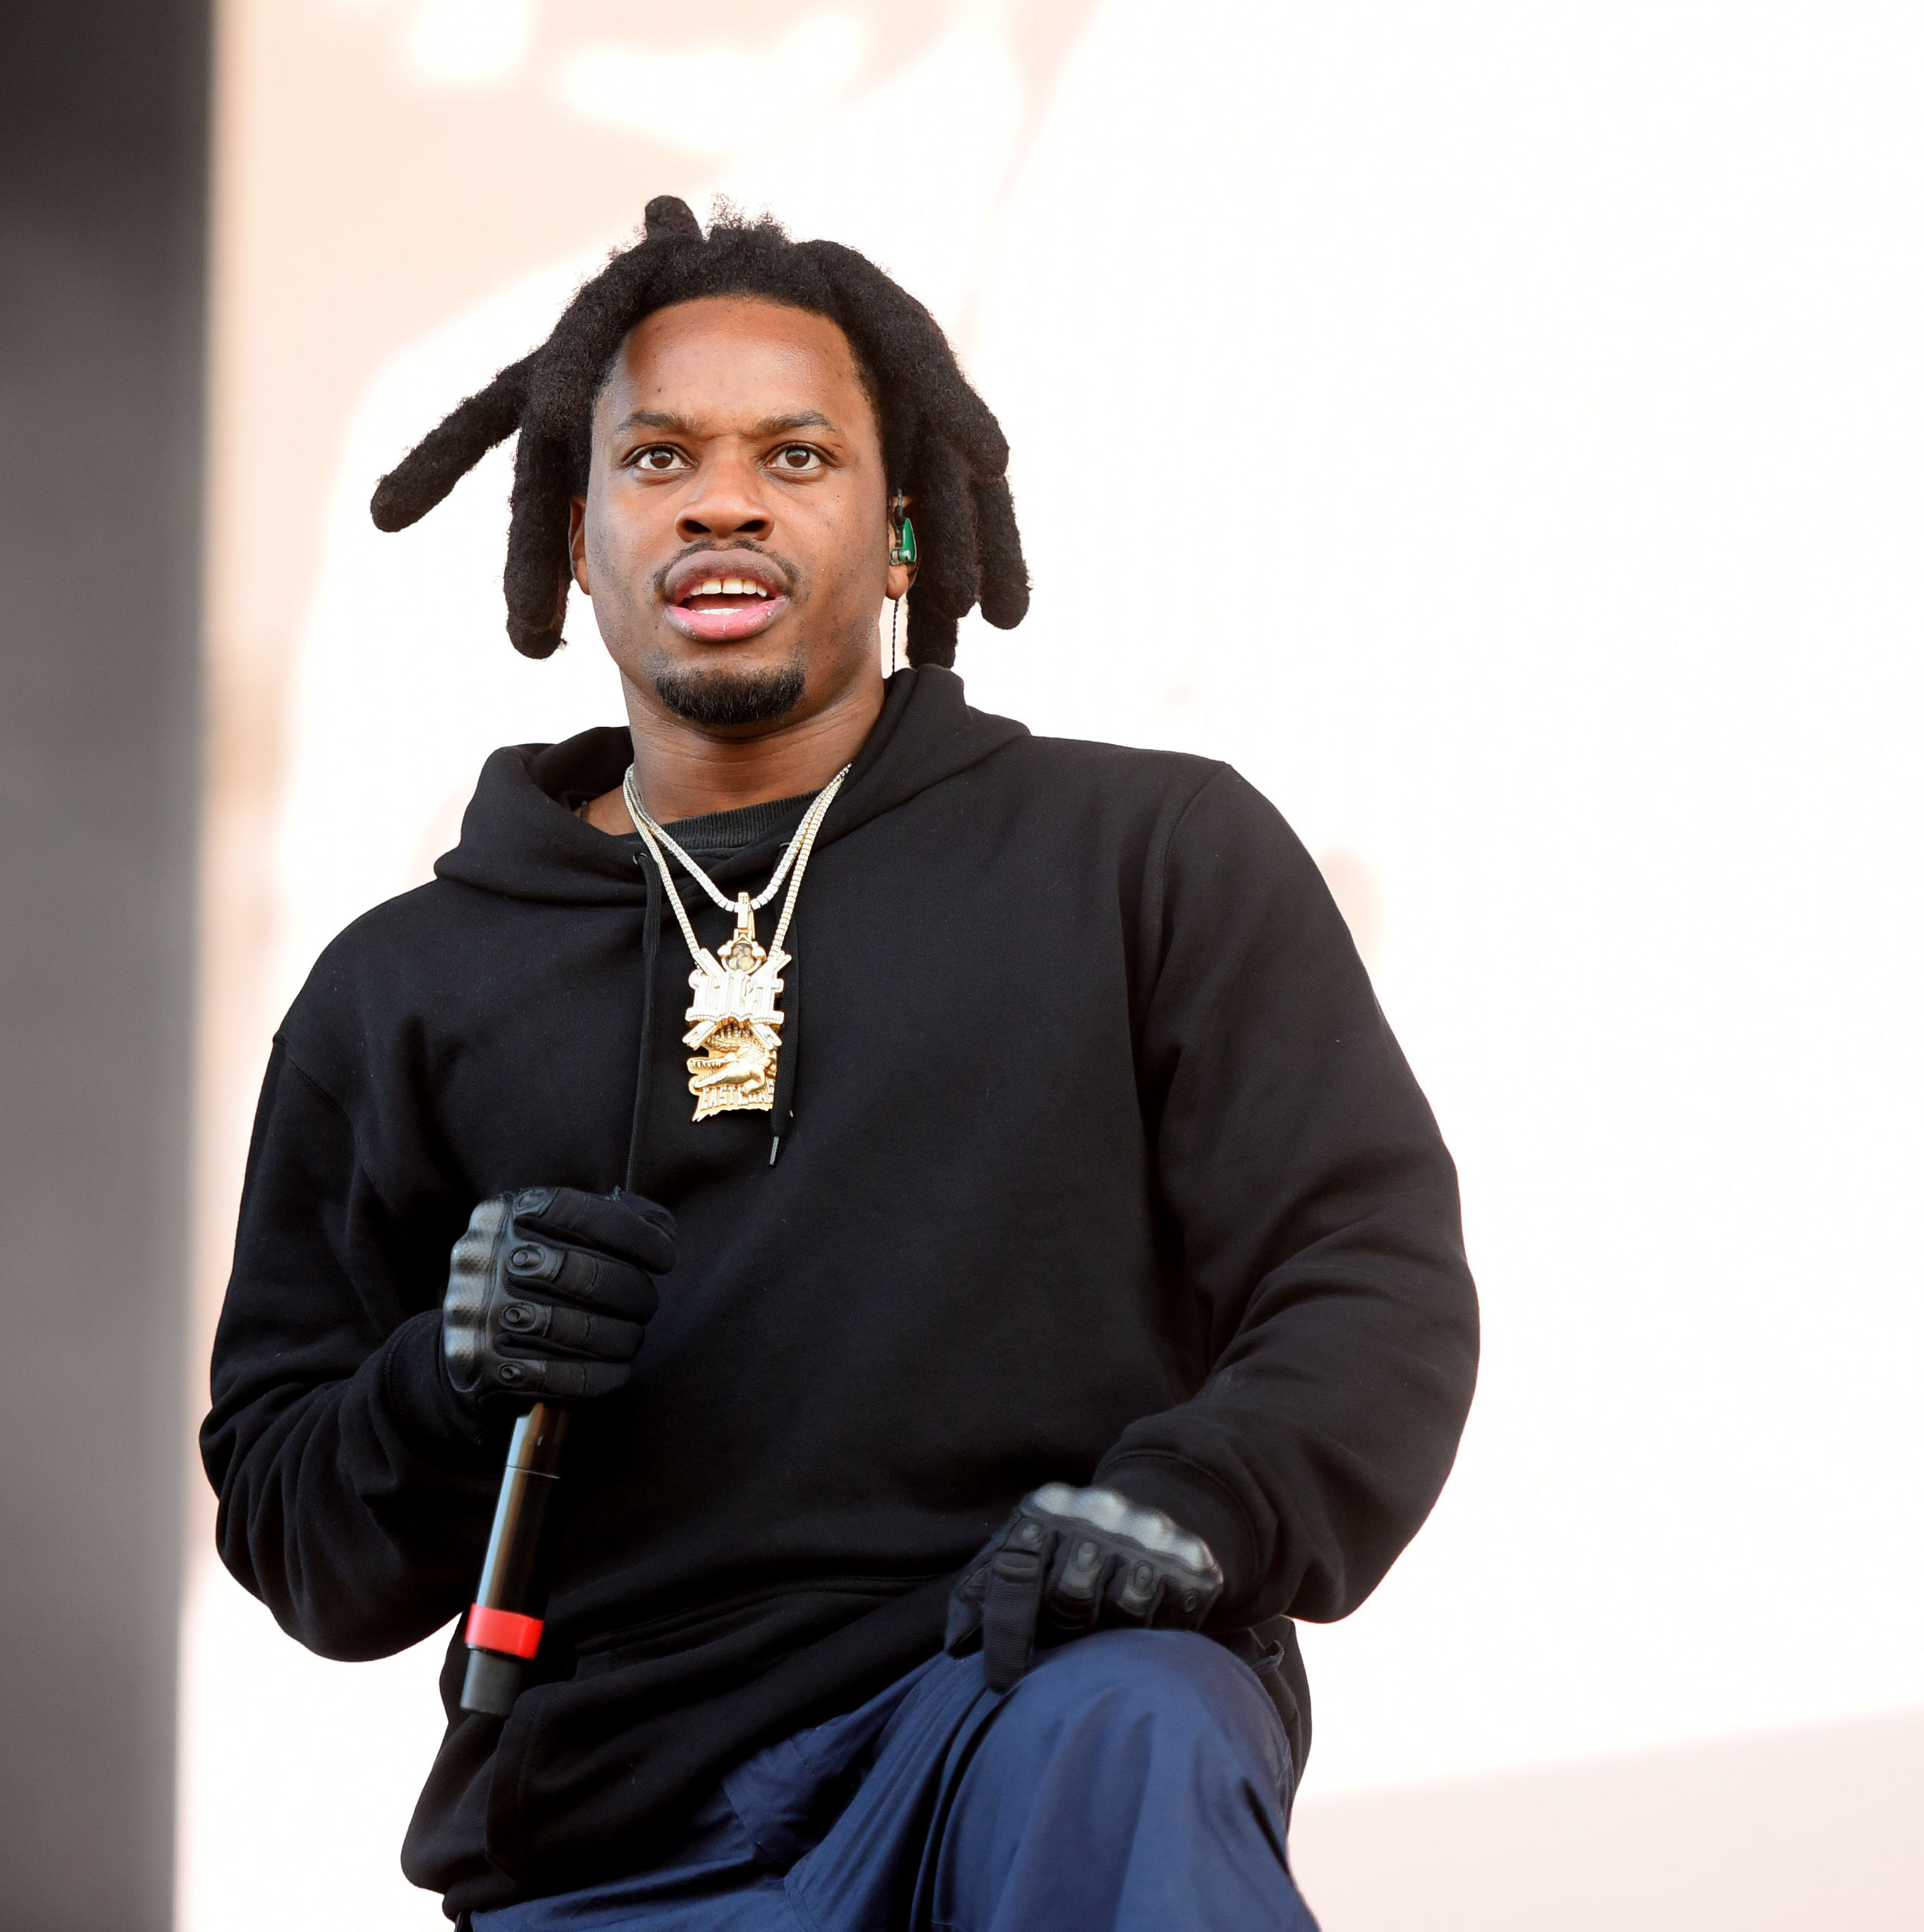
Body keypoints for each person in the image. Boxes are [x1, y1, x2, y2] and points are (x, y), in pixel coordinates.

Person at [201, 197, 1478, 1929]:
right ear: (579, 539)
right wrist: (450, 1371)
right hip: (616, 1832)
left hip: (1017, 1706)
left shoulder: (1150, 854)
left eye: (793, 453)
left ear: (898, 528)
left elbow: (1365, 1274)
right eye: (660, 457)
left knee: (1143, 1716)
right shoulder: (401, 987)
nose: (722, 495)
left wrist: (1193, 1501)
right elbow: (295, 1527)